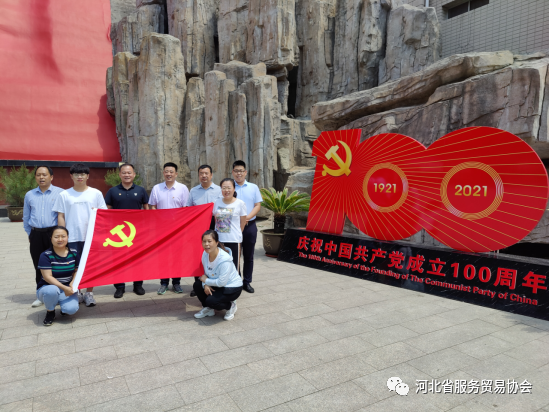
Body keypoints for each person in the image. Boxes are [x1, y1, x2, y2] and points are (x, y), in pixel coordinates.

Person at [53, 163, 107, 307]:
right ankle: (76, 291)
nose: (80, 177)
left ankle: (89, 293)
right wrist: (62, 236)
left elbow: (103, 214)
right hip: (72, 238)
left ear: (87, 176)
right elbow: (61, 215)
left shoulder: (96, 193)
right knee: (74, 266)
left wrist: (100, 234)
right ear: (71, 176)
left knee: (91, 266)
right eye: (76, 174)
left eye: (82, 174)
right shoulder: (64, 195)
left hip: (91, 237)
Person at [104, 163, 149, 298]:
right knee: (118, 260)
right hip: (118, 232)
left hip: (137, 232)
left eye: (129, 172)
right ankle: (119, 287)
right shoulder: (112, 191)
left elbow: (146, 209)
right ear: (120, 175)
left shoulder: (141, 190)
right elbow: (107, 211)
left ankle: (138, 285)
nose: (127, 175)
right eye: (124, 172)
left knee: (138, 259)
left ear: (134, 174)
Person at [23, 166, 64, 307]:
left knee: (56, 264)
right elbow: (26, 217)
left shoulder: (60, 193)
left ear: (51, 177)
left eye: (44, 175)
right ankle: (40, 295)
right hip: (36, 234)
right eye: (38, 175)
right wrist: (30, 233)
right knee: (39, 264)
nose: (41, 177)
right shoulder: (29, 195)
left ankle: (59, 293)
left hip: (53, 234)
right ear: (35, 177)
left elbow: (64, 215)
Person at [149, 162, 189, 294]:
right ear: (163, 173)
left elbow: (185, 208)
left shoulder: (182, 188)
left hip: (177, 229)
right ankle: (164, 283)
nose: (169, 174)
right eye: (166, 171)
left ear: (176, 174)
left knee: (177, 256)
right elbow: (153, 206)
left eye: (171, 172)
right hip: (161, 229)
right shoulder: (157, 188)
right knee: (163, 256)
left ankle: (176, 283)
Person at [187, 164, 221, 296]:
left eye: (206, 173)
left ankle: (214, 283)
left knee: (214, 254)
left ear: (211, 175)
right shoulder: (193, 191)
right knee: (198, 256)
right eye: (201, 173)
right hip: (198, 227)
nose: (204, 176)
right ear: (198, 175)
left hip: (214, 225)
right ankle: (198, 285)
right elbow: (188, 209)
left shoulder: (219, 190)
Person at [194, 230, 243, 321]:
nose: (206, 244)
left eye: (209, 241)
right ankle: (208, 309)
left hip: (231, 287)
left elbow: (221, 282)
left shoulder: (224, 260)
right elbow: (206, 274)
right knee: (197, 285)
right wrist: (205, 284)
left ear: (216, 242)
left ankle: (231, 306)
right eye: (204, 241)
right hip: (217, 282)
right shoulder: (205, 254)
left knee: (211, 301)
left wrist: (206, 281)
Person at [36, 226, 80, 326]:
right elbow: (47, 277)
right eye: (56, 237)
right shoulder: (45, 255)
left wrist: (72, 282)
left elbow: (77, 270)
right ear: (51, 238)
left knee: (71, 309)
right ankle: (50, 311)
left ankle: (63, 307)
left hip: (67, 288)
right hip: (47, 288)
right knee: (52, 290)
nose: (60, 239)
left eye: (63, 236)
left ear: (67, 237)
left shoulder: (74, 252)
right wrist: (64, 288)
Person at [232, 160, 262, 293]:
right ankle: (236, 280)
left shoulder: (253, 187)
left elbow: (257, 205)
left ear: (245, 172)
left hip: (250, 226)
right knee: (234, 255)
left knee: (249, 255)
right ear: (232, 172)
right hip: (233, 227)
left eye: (241, 171)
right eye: (236, 171)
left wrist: (247, 218)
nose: (239, 173)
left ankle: (247, 281)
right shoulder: (229, 187)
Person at [212, 178, 247, 272]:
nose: (226, 190)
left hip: (234, 240)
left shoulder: (240, 203)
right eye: (224, 188)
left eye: (229, 188)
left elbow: (243, 222)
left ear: (234, 189)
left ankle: (236, 281)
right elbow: (215, 219)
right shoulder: (217, 202)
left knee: (234, 267)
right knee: (220, 266)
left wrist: (237, 233)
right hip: (219, 240)